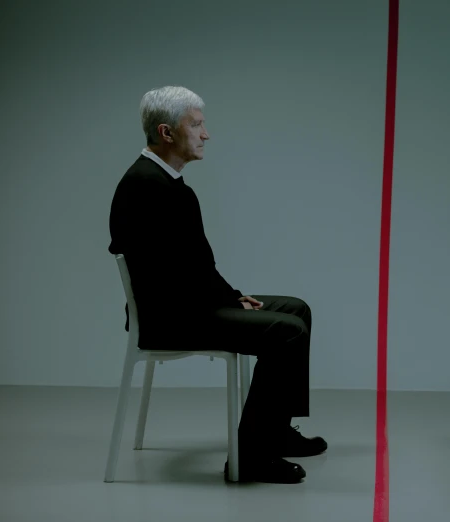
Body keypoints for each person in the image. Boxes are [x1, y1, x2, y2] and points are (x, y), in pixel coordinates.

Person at [108, 86, 326, 483]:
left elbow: (192, 264)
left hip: (186, 303)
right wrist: (226, 300)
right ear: (167, 132)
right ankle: (251, 457)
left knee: (296, 307)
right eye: (196, 124)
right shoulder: (150, 186)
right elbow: (176, 274)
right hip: (172, 317)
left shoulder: (164, 182)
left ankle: (275, 432)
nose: (206, 134)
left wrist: (231, 296)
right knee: (288, 332)